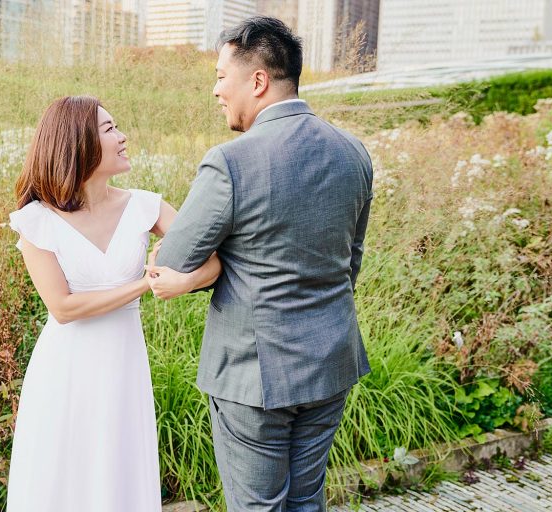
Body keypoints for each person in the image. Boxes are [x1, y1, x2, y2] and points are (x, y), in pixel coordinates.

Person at [147, 16, 374, 512]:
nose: (215, 90)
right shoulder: (353, 152)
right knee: (307, 501)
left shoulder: (231, 162)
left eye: (220, 76)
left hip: (256, 374)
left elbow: (176, 257)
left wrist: (218, 265)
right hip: (330, 360)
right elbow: (349, 262)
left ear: (257, 80)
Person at [5, 95, 221, 511]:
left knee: (118, 473)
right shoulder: (37, 219)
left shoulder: (145, 206)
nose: (122, 138)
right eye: (109, 130)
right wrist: (145, 284)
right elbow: (63, 308)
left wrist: (184, 280)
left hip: (123, 365)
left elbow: (212, 261)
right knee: (61, 479)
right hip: (65, 371)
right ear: (78, 142)